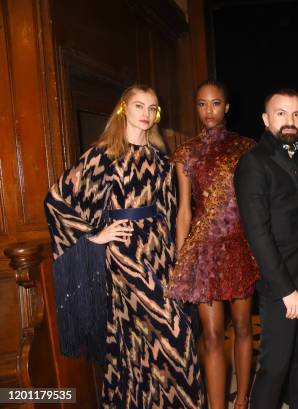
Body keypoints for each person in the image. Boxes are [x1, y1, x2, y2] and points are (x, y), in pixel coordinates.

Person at [44, 85, 204, 408]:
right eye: (139, 106)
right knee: (178, 336)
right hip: (124, 256)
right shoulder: (102, 154)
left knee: (139, 344)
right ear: (123, 110)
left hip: (159, 254)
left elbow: (170, 212)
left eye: (152, 108)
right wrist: (96, 236)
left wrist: (174, 258)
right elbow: (56, 200)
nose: (146, 114)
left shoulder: (160, 159)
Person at [234, 89, 298, 409]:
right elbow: (257, 233)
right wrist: (285, 289)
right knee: (276, 367)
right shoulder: (253, 163)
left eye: (294, 114)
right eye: (281, 113)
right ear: (266, 119)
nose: (289, 121)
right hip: (282, 283)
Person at [166, 80, 259, 409]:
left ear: (227, 107)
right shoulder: (186, 152)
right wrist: (181, 262)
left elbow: (255, 203)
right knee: (212, 335)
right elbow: (184, 212)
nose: (208, 110)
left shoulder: (247, 147)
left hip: (239, 245)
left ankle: (243, 399)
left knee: (244, 328)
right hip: (203, 251)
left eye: (215, 103)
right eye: (202, 104)